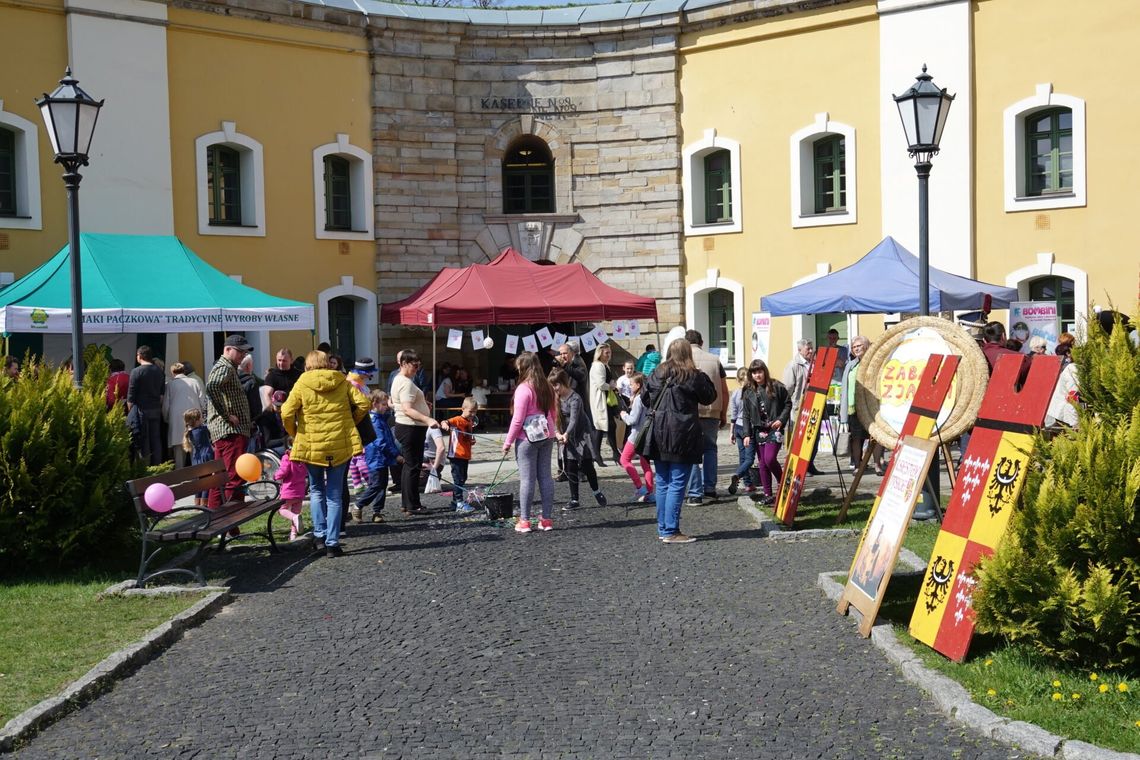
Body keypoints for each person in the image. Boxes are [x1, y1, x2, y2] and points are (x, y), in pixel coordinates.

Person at [280, 349, 369, 557]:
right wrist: (350, 421)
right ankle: (333, 542)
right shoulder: (342, 380)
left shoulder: (302, 382)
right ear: (327, 363)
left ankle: (319, 537)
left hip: (312, 445)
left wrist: (294, 431)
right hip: (339, 443)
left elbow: (285, 412)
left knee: (317, 490)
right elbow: (364, 403)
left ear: (307, 365)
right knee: (335, 494)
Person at [640, 338, 716, 543]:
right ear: (687, 354)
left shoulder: (656, 373)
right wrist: (702, 376)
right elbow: (709, 396)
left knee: (663, 482)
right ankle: (671, 531)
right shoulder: (692, 375)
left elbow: (645, 399)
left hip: (658, 432)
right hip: (682, 432)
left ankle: (664, 529)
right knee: (677, 482)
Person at [502, 351, 558, 533]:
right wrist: (554, 431)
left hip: (527, 438)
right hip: (546, 434)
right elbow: (554, 413)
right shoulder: (548, 386)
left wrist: (507, 442)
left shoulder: (523, 389)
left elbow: (517, 420)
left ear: (523, 367)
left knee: (527, 480)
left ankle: (525, 521)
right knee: (545, 477)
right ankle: (547, 520)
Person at [205, 335, 255, 508]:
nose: (242, 355)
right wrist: (227, 415)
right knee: (234, 477)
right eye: (240, 351)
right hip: (231, 432)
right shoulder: (225, 367)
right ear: (227, 349)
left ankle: (215, 519)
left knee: (220, 478)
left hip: (227, 431)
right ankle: (231, 523)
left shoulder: (228, 367)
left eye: (244, 352)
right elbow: (212, 387)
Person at [390, 349, 440, 516]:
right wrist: (428, 419)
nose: (417, 369)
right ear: (404, 363)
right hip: (411, 427)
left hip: (407, 427)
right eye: (415, 365)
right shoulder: (405, 382)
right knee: (413, 467)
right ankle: (413, 505)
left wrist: (423, 405)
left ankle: (407, 503)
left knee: (408, 466)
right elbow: (407, 409)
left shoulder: (399, 380)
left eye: (419, 366)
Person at [550, 368, 606, 512]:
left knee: (587, 465)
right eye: (553, 385)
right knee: (571, 466)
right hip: (566, 433)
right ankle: (574, 499)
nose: (555, 388)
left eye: (556, 385)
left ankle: (596, 491)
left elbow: (574, 420)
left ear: (563, 383)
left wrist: (566, 433)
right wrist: (557, 433)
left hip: (581, 434)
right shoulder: (556, 398)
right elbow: (554, 418)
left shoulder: (575, 398)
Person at [685, 330, 728, 504]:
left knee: (691, 452)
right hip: (712, 411)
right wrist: (723, 412)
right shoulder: (715, 360)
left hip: (689, 413)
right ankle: (710, 488)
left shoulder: (683, 361)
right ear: (701, 342)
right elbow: (724, 390)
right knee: (710, 449)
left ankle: (695, 493)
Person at [741, 359, 792, 505]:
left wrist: (781, 420)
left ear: (765, 371)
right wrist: (746, 434)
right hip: (758, 429)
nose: (757, 375)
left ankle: (783, 487)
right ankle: (768, 494)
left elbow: (788, 404)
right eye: (754, 372)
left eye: (760, 371)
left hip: (774, 429)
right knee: (762, 463)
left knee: (770, 459)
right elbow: (745, 414)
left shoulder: (776, 386)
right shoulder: (748, 391)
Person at [358, 389, 403, 523]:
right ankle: (358, 505)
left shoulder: (382, 419)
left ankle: (377, 511)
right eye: (384, 404)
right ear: (375, 404)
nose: (386, 406)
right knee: (376, 485)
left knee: (382, 485)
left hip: (382, 458)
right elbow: (381, 442)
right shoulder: (375, 421)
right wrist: (396, 455)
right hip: (376, 457)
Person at [839, 336, 878, 474]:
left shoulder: (873, 363)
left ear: (867, 346)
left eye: (859, 346)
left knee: (875, 437)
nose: (856, 349)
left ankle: (877, 464)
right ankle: (857, 464)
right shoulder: (851, 365)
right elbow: (845, 387)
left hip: (870, 406)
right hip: (853, 407)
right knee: (856, 437)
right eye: (854, 347)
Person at [782, 338, 822, 475]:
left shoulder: (815, 363)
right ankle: (797, 467)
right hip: (799, 407)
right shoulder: (793, 365)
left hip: (815, 405)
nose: (811, 351)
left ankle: (810, 464)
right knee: (799, 438)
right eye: (808, 349)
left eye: (812, 348)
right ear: (800, 350)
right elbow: (787, 388)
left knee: (814, 437)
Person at [126, 345, 166, 465]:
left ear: (140, 356)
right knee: (156, 439)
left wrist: (131, 411)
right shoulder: (159, 371)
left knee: (143, 440)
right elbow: (161, 395)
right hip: (155, 409)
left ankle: (145, 467)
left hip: (141, 410)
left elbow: (130, 396)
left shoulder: (136, 371)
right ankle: (157, 466)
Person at [618, 372, 654, 502]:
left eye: (631, 384)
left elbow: (632, 420)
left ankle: (639, 487)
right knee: (646, 465)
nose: (630, 386)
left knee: (624, 460)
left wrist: (623, 415)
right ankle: (650, 493)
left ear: (638, 385)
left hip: (636, 436)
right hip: (646, 435)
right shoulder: (648, 396)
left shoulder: (638, 399)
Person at [163, 362, 208, 467]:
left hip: (177, 419)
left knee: (179, 451)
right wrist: (202, 416)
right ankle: (197, 475)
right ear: (184, 371)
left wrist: (166, 418)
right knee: (196, 449)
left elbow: (166, 404)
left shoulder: (170, 384)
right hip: (194, 419)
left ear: (172, 372)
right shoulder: (194, 381)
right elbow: (203, 401)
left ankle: (180, 478)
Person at [441, 397, 478, 513]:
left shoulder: (470, 422)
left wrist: (471, 440)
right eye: (470, 411)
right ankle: (459, 502)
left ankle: (455, 502)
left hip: (465, 455)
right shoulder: (458, 419)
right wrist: (445, 425)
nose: (472, 414)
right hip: (456, 454)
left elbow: (467, 437)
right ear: (463, 409)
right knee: (458, 479)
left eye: (474, 412)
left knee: (463, 478)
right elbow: (445, 422)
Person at [588, 343, 620, 465]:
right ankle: (608, 454)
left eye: (609, 353)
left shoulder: (605, 365)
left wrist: (612, 383)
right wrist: (611, 386)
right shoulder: (598, 366)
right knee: (603, 427)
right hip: (601, 400)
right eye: (606, 353)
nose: (608, 355)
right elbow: (601, 384)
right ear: (600, 353)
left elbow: (607, 379)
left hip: (607, 399)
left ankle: (608, 454)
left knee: (604, 428)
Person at [728, 367, 755, 496]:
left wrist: (731, 432)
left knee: (742, 457)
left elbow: (733, 414)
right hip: (747, 428)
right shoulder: (751, 392)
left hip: (737, 428)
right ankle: (738, 475)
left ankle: (748, 483)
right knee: (749, 459)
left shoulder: (734, 393)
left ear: (738, 380)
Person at [274, 449, 308, 541]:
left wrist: (275, 476)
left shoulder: (287, 458)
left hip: (288, 492)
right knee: (296, 513)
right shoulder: (303, 459)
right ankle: (293, 535)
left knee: (282, 510)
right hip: (300, 492)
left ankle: (294, 518)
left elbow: (283, 471)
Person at [182, 408, 214, 506]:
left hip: (197, 459)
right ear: (196, 420)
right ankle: (204, 503)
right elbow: (210, 427)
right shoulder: (201, 430)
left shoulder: (191, 432)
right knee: (206, 482)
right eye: (201, 417)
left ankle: (198, 503)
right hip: (205, 458)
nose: (203, 418)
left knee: (199, 483)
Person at [1045, 344, 1080, 429]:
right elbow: (1072, 397)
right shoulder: (1073, 369)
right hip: (1061, 415)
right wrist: (1075, 424)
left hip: (1061, 413)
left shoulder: (1071, 368)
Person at [237, 353, 264, 420]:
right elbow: (256, 410)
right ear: (248, 366)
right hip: (247, 422)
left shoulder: (231, 378)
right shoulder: (251, 382)